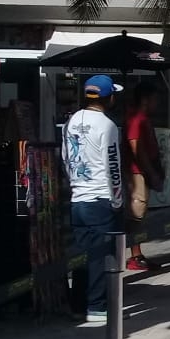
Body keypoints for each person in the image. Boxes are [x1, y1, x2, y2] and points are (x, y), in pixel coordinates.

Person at [61, 75, 124, 325]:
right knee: (101, 256)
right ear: (109, 97)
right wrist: (117, 200)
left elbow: (66, 158)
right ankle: (97, 306)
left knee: (80, 255)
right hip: (100, 197)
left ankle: (78, 304)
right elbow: (113, 165)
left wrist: (75, 185)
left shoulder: (71, 121)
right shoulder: (107, 125)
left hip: (78, 197)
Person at [124, 81, 164, 271]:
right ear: (146, 99)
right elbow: (135, 146)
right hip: (136, 172)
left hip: (141, 171)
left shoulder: (143, 118)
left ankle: (137, 254)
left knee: (140, 214)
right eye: (156, 99)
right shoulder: (136, 119)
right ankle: (135, 255)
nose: (158, 103)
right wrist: (149, 172)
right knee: (136, 215)